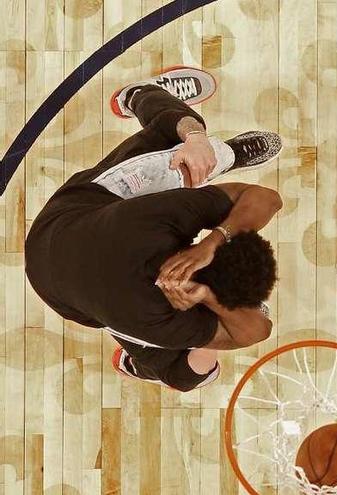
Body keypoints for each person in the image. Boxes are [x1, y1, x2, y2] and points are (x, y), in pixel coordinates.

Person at [25, 67, 283, 391]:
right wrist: (213, 299)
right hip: (59, 288)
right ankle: (140, 96)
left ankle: (194, 135)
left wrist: (215, 238)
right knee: (188, 376)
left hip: (62, 221)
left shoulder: (160, 221)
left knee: (191, 150)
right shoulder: (164, 320)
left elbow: (267, 199)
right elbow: (255, 330)